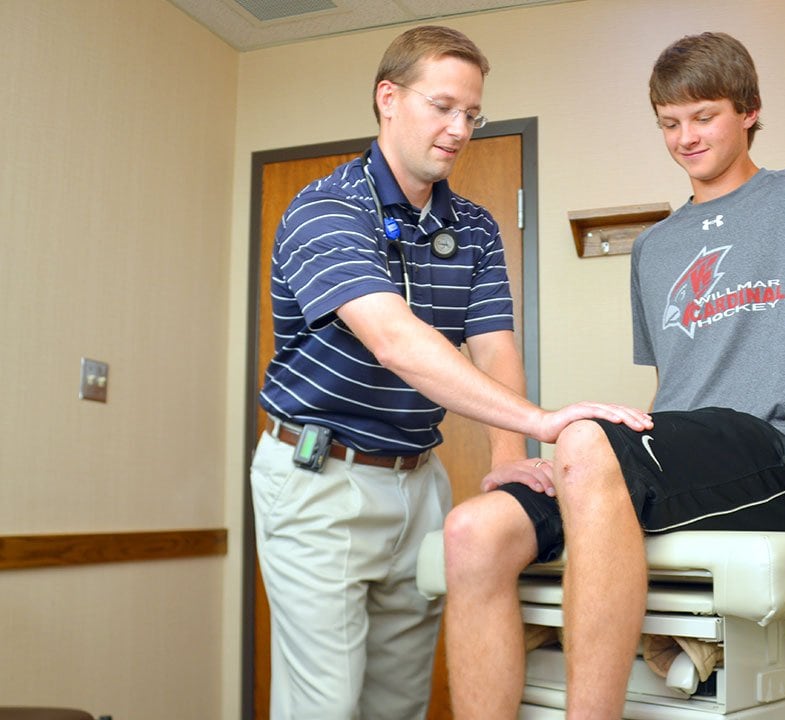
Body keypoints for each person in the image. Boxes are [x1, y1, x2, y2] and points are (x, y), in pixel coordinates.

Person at [441, 31, 785, 719]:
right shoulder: (654, 248)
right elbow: (674, 391)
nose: (685, 138)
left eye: (703, 116)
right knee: (473, 531)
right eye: (669, 124)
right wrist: (601, 468)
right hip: (692, 446)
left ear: (750, 110)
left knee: (584, 438)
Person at [249, 25, 651, 720]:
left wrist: (508, 457)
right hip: (321, 482)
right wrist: (542, 421)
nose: (459, 128)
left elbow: (493, 344)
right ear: (388, 99)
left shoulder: (474, 225)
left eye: (472, 113)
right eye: (443, 106)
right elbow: (395, 340)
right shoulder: (327, 208)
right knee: (325, 706)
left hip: (418, 484)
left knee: (400, 702)